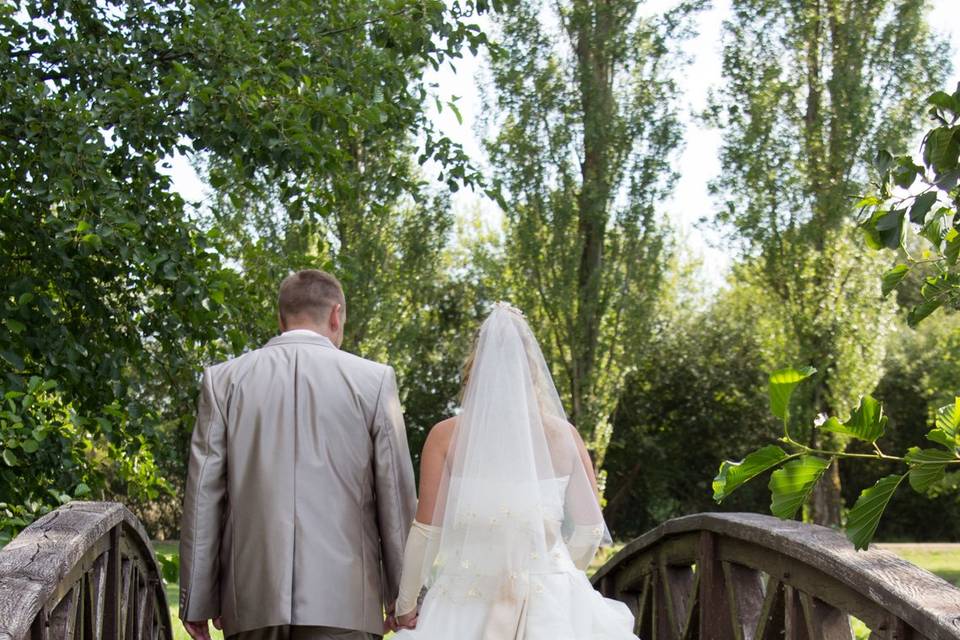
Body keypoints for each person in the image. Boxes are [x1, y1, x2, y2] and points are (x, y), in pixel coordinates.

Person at [179, 269, 416, 640]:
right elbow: (396, 499)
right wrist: (404, 598)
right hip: (347, 601)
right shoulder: (374, 381)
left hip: (252, 600)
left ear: (281, 318)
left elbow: (203, 498)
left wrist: (197, 599)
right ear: (336, 315)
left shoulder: (223, 380)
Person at [390, 302, 639, 639]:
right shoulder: (564, 436)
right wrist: (558, 577)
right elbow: (590, 529)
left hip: (464, 600)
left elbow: (427, 532)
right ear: (532, 368)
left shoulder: (445, 437)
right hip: (550, 603)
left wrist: (406, 607)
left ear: (474, 367)